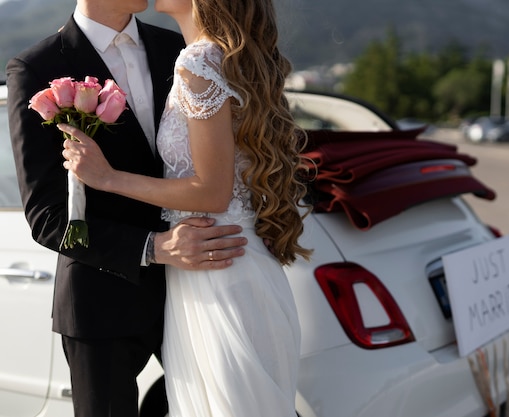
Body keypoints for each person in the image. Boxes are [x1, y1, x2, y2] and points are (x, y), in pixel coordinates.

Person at [59, 0, 313, 414]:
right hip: (225, 266)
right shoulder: (225, 57)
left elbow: (213, 192)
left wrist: (108, 178)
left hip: (220, 272)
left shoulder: (198, 60)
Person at [6, 1, 249, 416]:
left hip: (195, 292)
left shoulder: (179, 49)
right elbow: (46, 214)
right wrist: (154, 247)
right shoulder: (37, 66)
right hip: (102, 299)